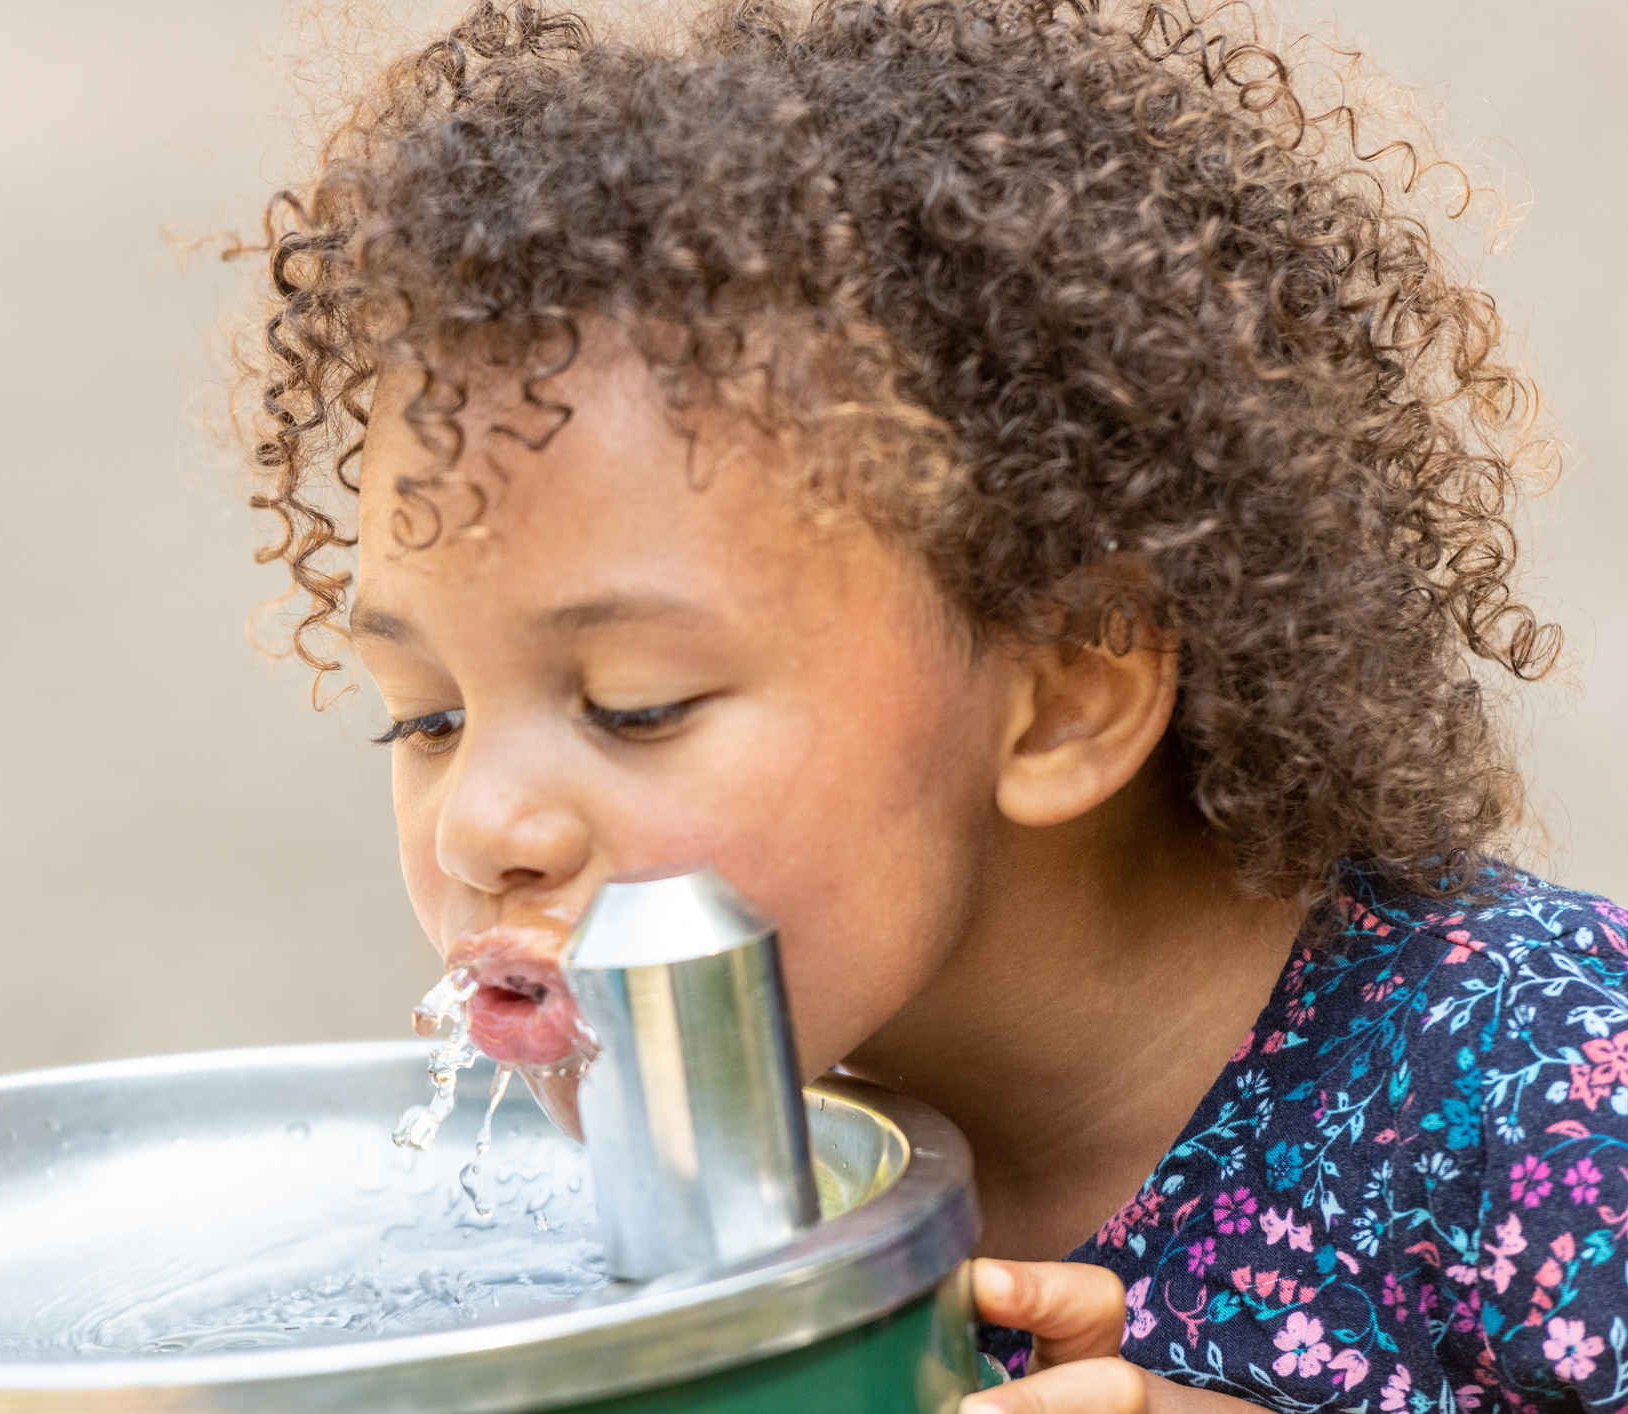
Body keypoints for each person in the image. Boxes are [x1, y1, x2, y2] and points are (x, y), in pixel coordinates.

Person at [229, 2, 1612, 1408]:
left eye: (634, 706)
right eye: (424, 717)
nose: (478, 825)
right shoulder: (720, 1155)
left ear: (1063, 691)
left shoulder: (1550, 1093)